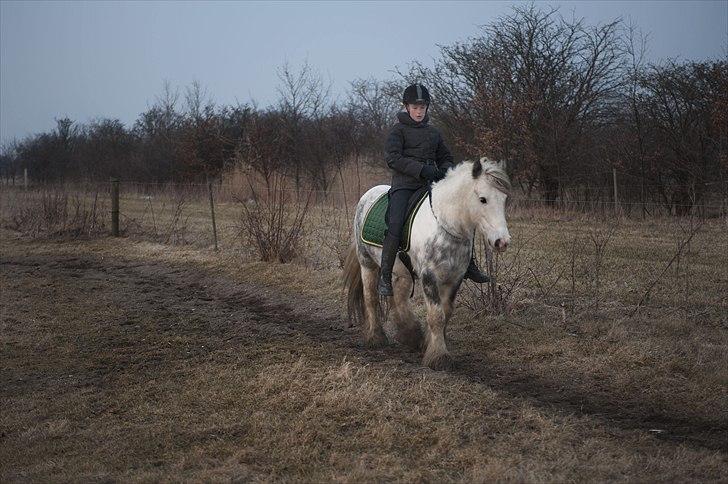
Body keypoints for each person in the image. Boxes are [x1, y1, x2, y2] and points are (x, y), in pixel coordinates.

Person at [379, 83, 490, 296]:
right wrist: (422, 170)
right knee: (395, 222)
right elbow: (393, 159)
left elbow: (445, 157)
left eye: (423, 107)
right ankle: (384, 277)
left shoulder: (433, 132)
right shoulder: (397, 131)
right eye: (415, 107)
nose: (419, 111)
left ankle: (470, 264)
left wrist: (445, 170)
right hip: (405, 186)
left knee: (462, 214)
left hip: (432, 185)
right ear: (406, 107)